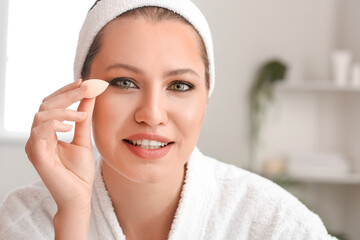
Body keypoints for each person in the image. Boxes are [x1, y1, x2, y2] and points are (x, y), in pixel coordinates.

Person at [0, 0, 337, 239]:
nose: (152, 115)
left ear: (206, 98)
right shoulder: (27, 220)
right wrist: (73, 214)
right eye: (124, 82)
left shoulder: (275, 225)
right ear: (82, 91)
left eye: (180, 85)